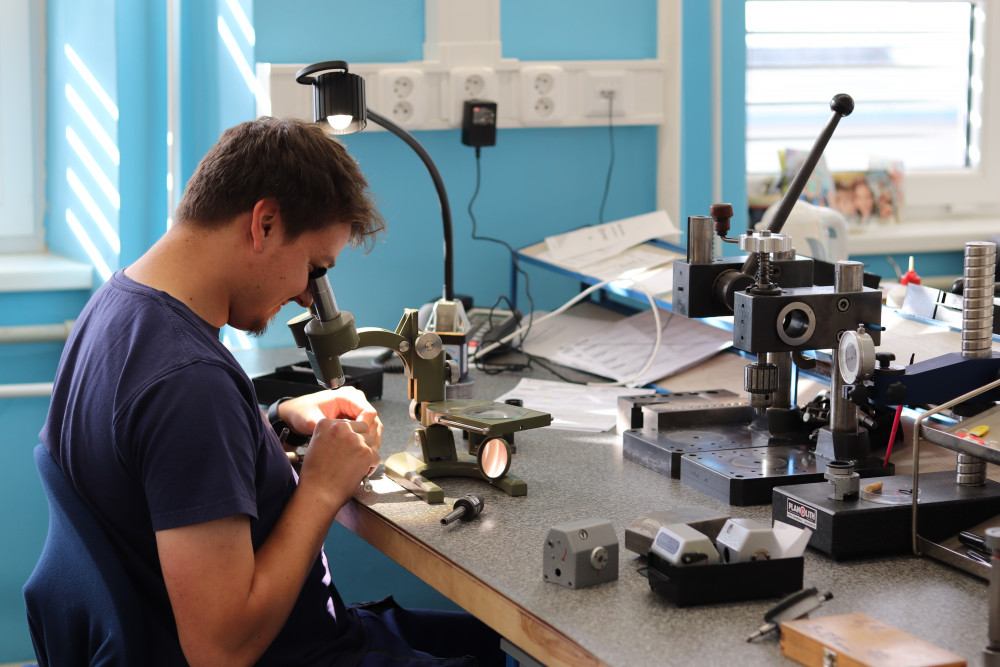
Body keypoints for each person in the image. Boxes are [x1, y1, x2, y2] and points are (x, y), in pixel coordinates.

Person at [40, 116, 504, 666]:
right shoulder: (190, 385)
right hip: (291, 655)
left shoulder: (118, 306)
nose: (309, 296)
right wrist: (321, 489)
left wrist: (274, 420)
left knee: (490, 642)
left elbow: (155, 462)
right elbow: (220, 651)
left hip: (286, 636)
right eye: (314, 267)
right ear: (264, 223)